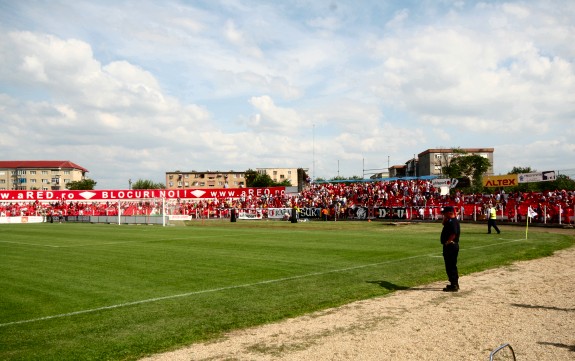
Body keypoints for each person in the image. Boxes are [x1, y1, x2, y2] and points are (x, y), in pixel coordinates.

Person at [440, 206, 460, 292]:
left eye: (445, 213)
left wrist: (448, 242)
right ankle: (454, 283)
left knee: (451, 265)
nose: (443, 214)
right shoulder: (450, 220)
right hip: (450, 246)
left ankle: (454, 285)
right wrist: (445, 217)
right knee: (450, 265)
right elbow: (443, 224)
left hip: (451, 246)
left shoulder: (453, 222)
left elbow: (453, 233)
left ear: (449, 212)